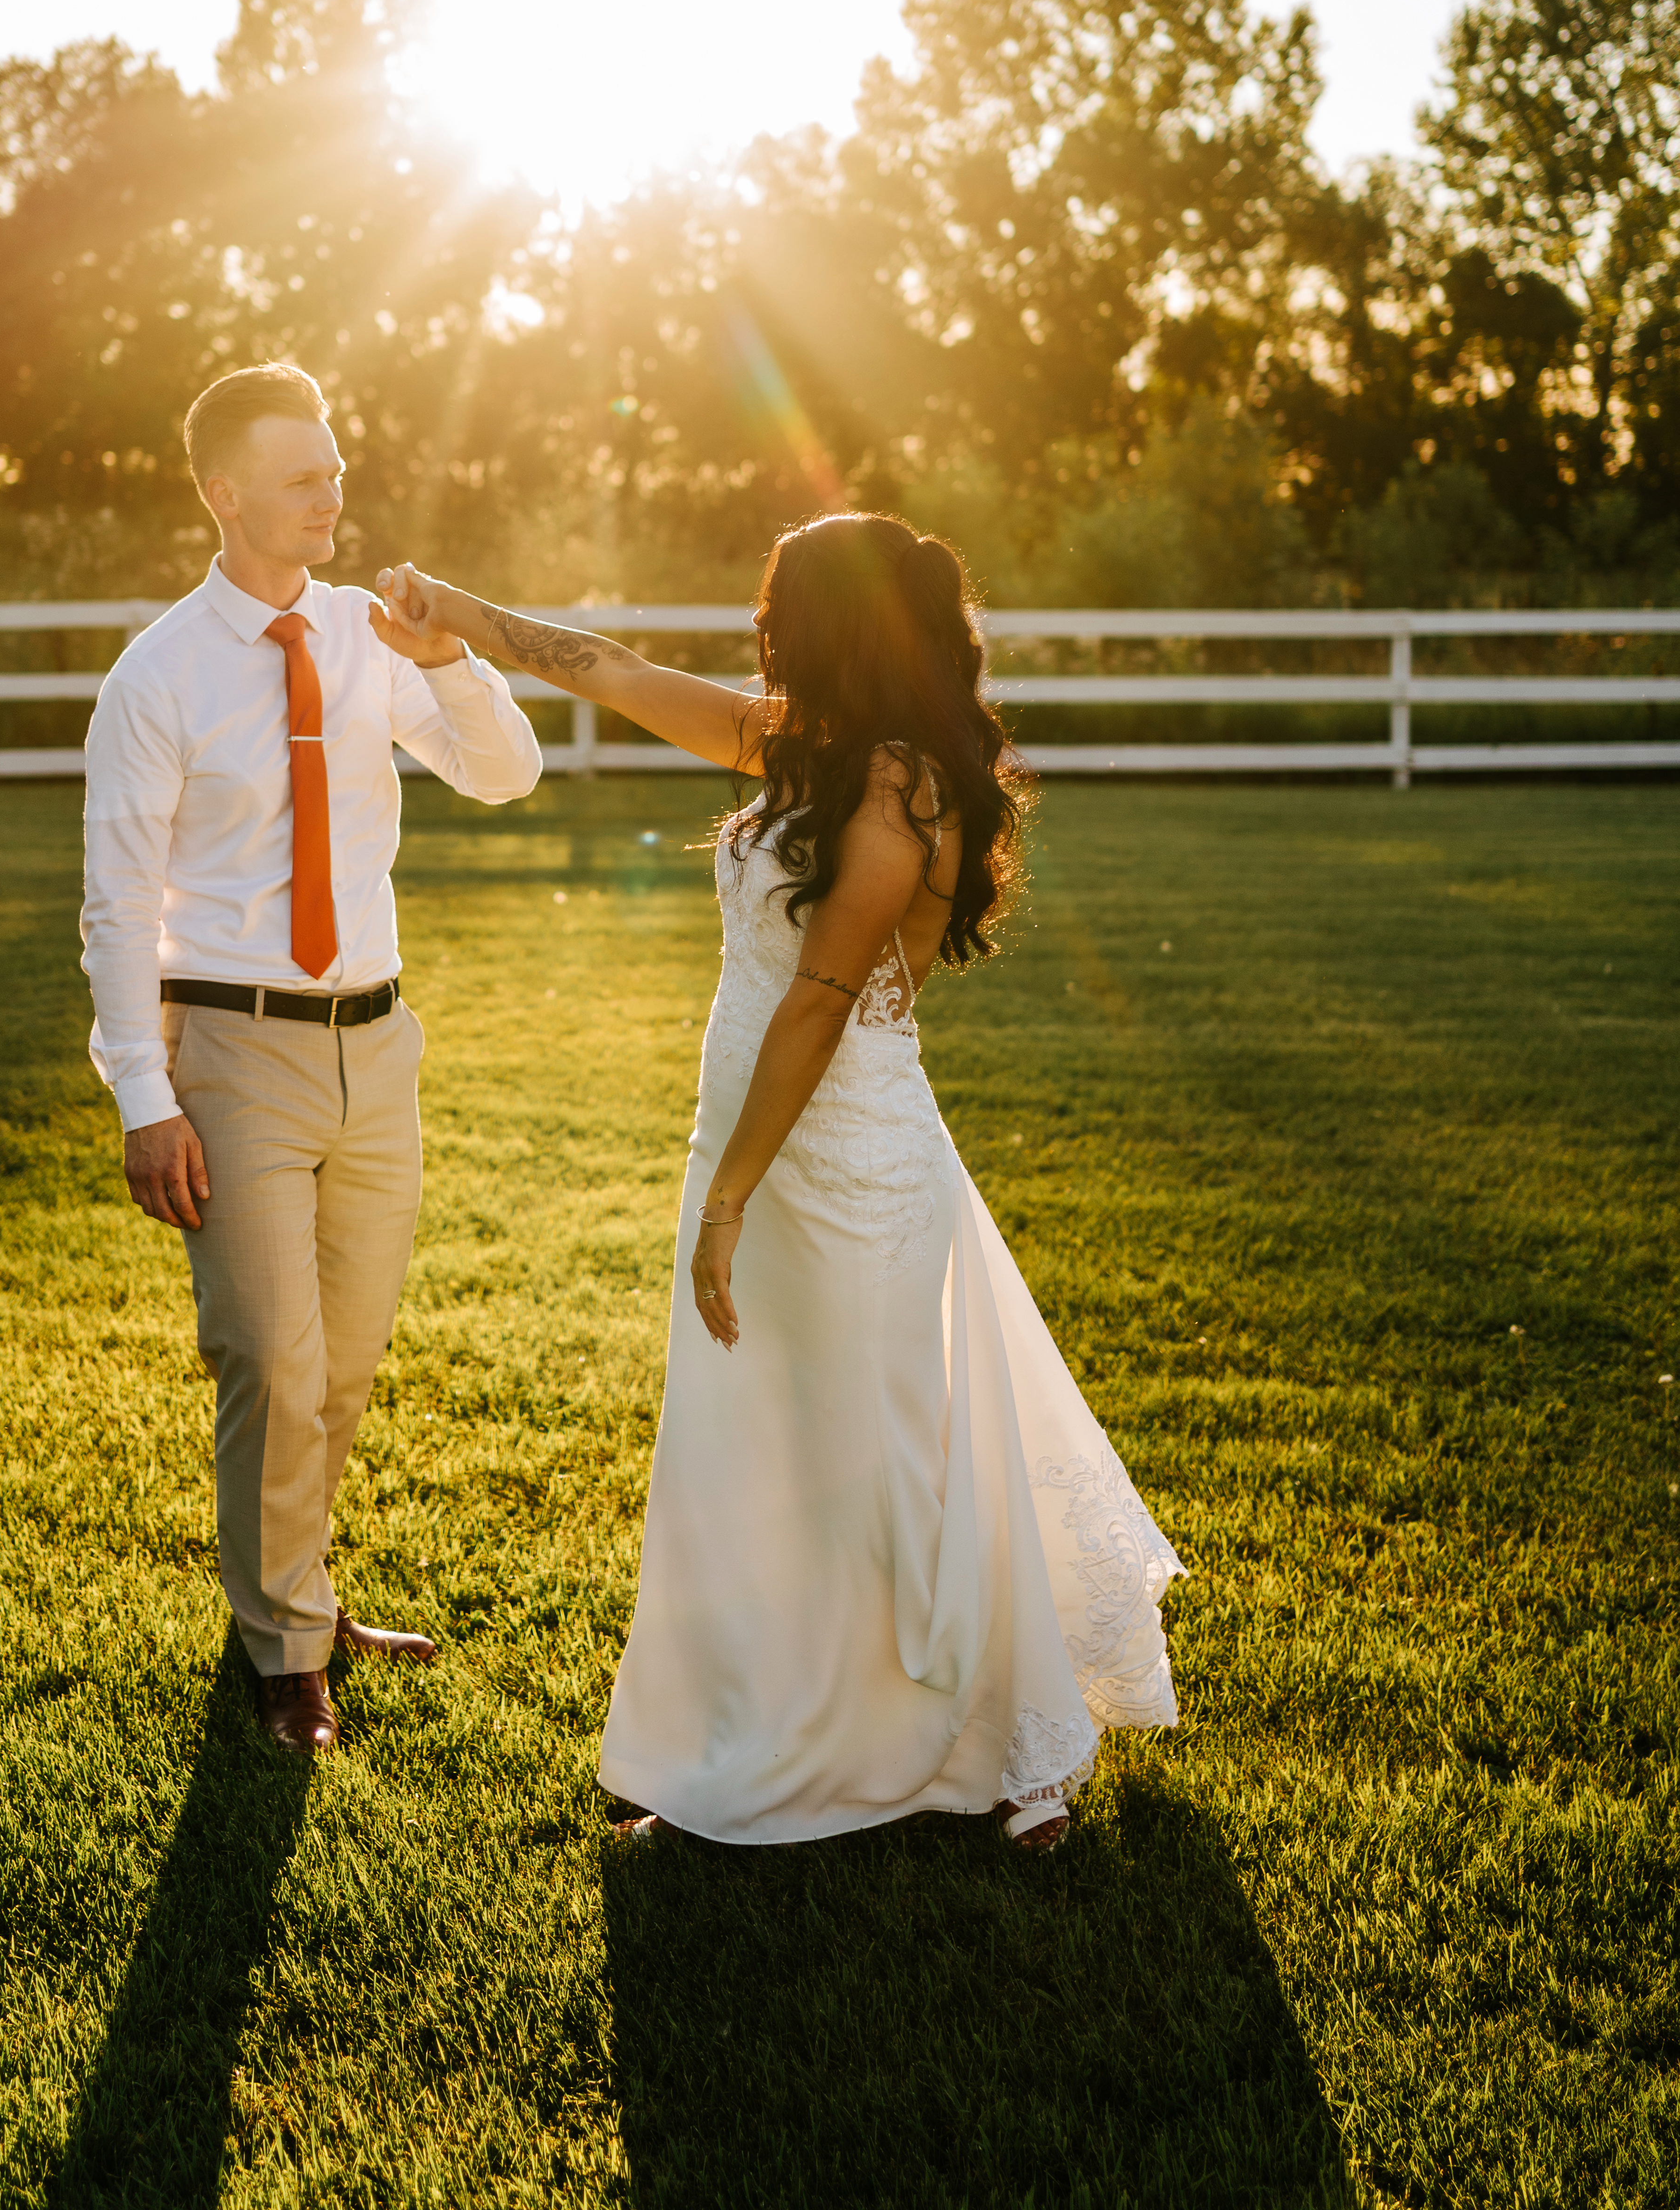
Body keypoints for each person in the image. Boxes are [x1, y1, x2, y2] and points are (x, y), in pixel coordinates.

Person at [376, 515, 1183, 1850]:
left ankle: (988, 1749)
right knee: (750, 1452)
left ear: (823, 625)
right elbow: (608, 670)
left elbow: (817, 1004)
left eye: (778, 609)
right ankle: (742, 1749)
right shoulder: (794, 749)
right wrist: (455, 608)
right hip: (750, 1137)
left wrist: (732, 1195)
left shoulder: (894, 793)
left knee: (880, 1460)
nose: (762, 631)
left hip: (844, 1165)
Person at [82, 364, 542, 1753]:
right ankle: (285, 1656)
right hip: (232, 1047)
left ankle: (297, 1595)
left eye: (336, 469)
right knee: (269, 1364)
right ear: (224, 495)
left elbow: (505, 774)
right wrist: (144, 1100)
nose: (331, 494)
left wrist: (448, 656)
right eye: (302, 476)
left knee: (340, 1365)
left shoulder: (361, 636)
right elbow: (118, 903)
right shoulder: (156, 676)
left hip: (378, 1044)